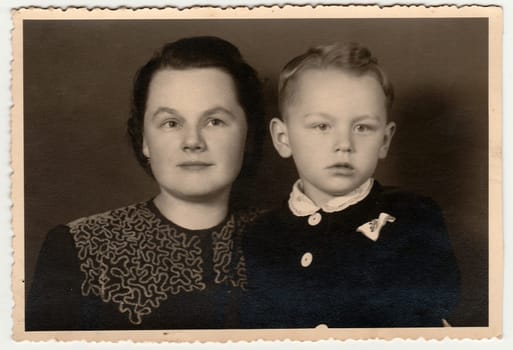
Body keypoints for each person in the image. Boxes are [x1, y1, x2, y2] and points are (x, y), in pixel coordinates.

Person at [26, 36, 265, 330]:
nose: (192, 142)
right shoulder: (77, 247)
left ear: (247, 133)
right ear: (145, 141)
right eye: (171, 123)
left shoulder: (290, 239)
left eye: (214, 121)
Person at [241, 42, 460, 328]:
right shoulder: (262, 236)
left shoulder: (413, 217)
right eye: (322, 126)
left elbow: (433, 311)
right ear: (283, 138)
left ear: (384, 140)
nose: (344, 144)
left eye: (362, 127)